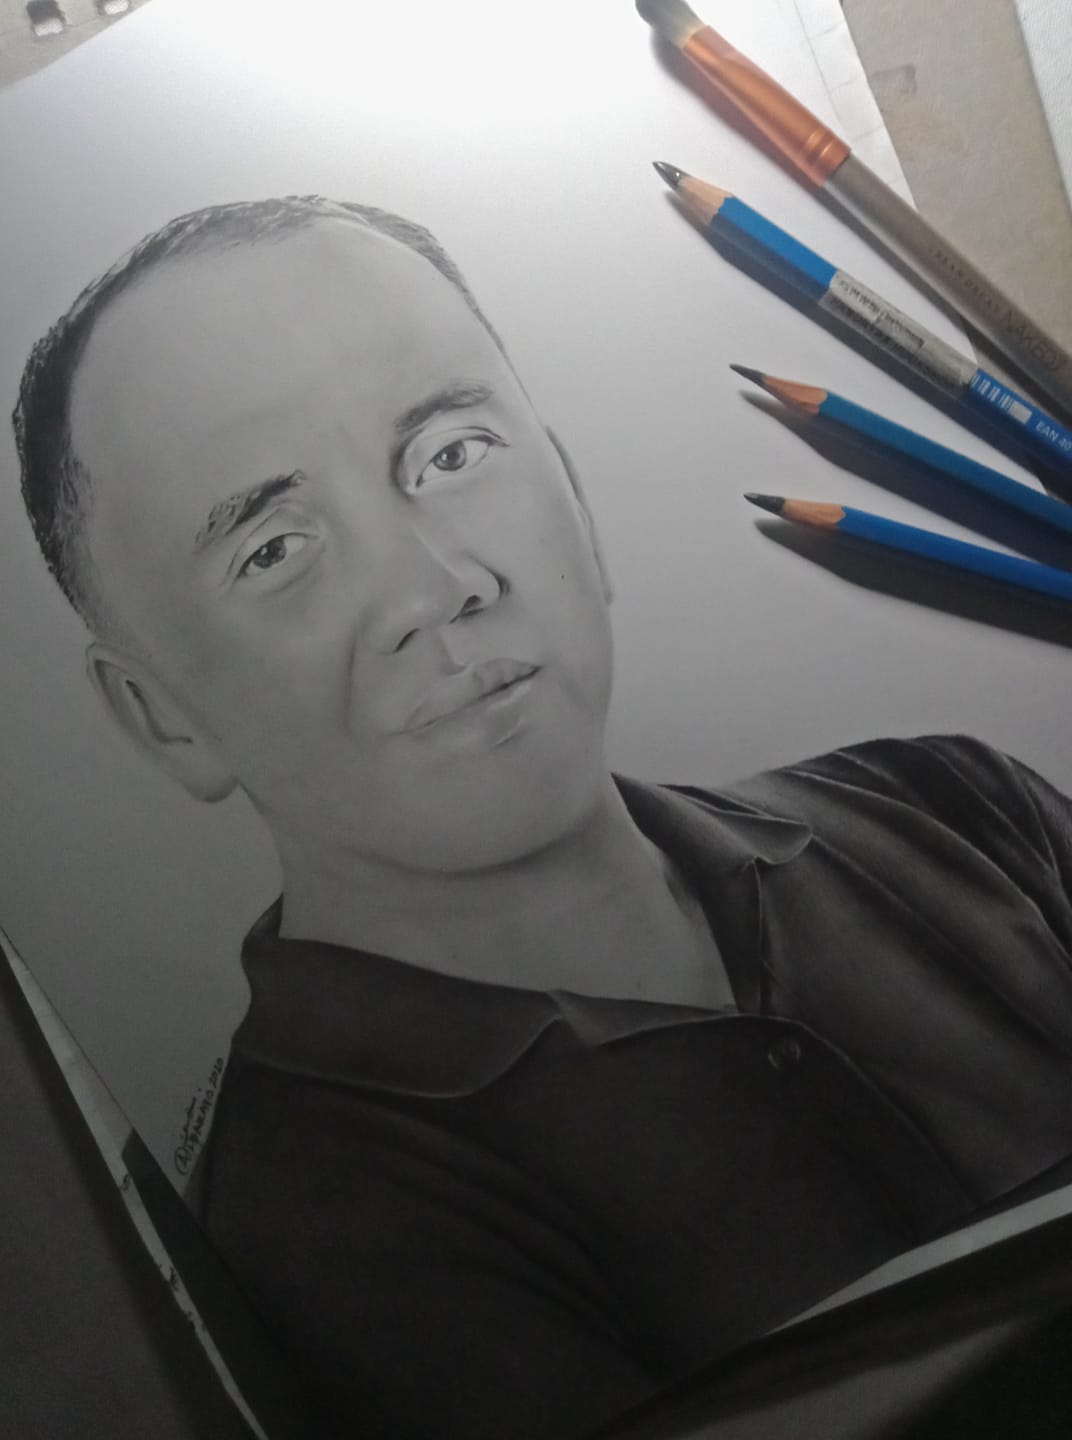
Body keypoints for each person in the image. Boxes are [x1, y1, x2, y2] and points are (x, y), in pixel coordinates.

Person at [13, 196, 1072, 1440]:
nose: (435, 586)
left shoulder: (957, 806)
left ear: (572, 492)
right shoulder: (305, 1247)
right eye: (275, 549)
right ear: (161, 718)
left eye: (450, 455)